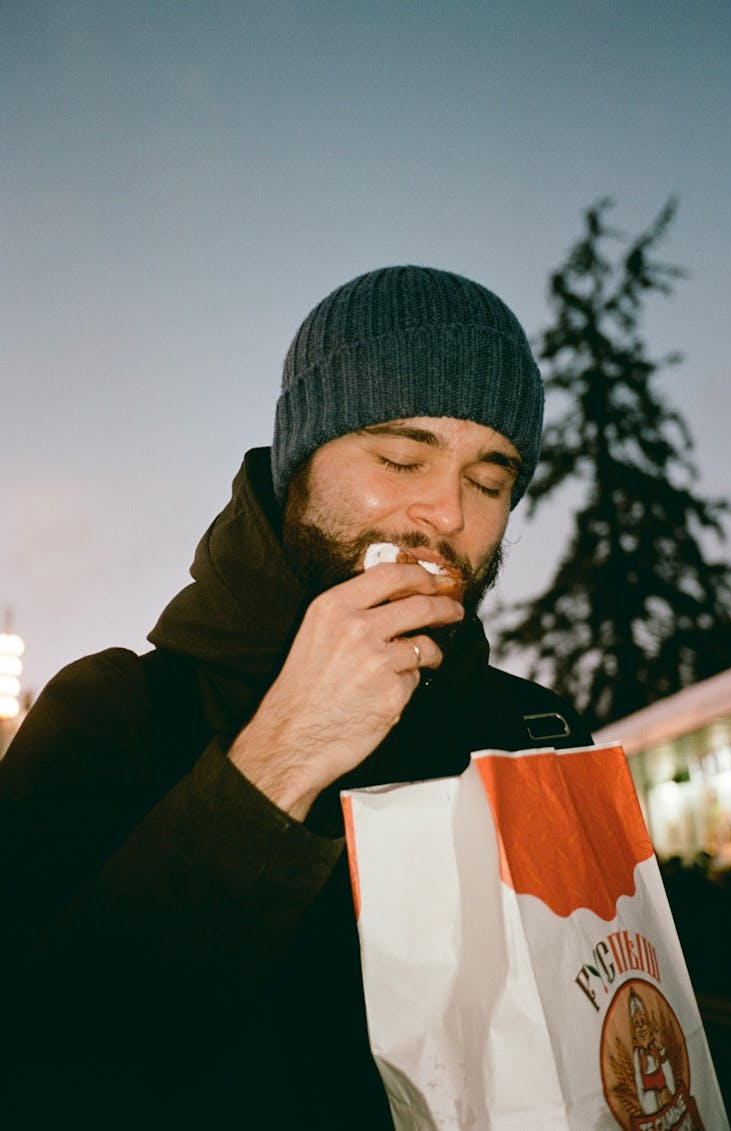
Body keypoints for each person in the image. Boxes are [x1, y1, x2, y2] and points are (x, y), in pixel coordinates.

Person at [0, 265, 592, 1129]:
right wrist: (279, 758)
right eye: (400, 456)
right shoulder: (118, 709)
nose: (447, 513)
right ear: (297, 465)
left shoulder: (535, 731)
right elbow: (38, 1063)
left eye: (491, 480)